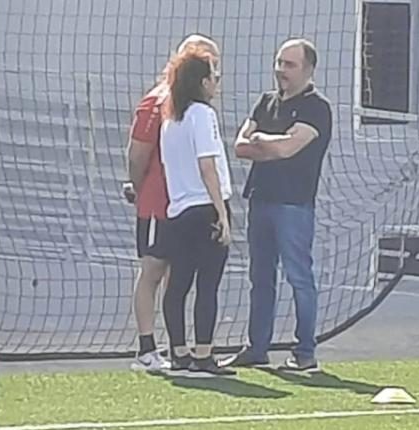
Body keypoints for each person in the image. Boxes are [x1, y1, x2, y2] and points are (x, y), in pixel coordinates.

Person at [220, 38, 332, 371]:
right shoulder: (266, 102)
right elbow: (240, 146)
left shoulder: (316, 108)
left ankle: (305, 352)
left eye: (289, 65)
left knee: (299, 277)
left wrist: (264, 141)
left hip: (293, 204)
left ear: (308, 69)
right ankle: (257, 347)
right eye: (279, 63)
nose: (281, 70)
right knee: (260, 277)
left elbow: (288, 148)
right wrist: (271, 144)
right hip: (261, 199)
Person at [123, 34, 220, 371]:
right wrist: (139, 189)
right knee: (152, 269)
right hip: (158, 203)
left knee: (178, 276)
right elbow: (137, 154)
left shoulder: (197, 107)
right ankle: (146, 347)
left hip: (185, 204)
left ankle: (177, 347)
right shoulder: (158, 102)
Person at [160, 47, 235, 376]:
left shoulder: (170, 120)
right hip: (204, 207)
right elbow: (208, 166)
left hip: (179, 210)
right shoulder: (202, 114)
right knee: (207, 285)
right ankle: (204, 354)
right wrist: (222, 213)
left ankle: (179, 352)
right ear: (203, 82)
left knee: (178, 284)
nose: (217, 82)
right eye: (214, 77)